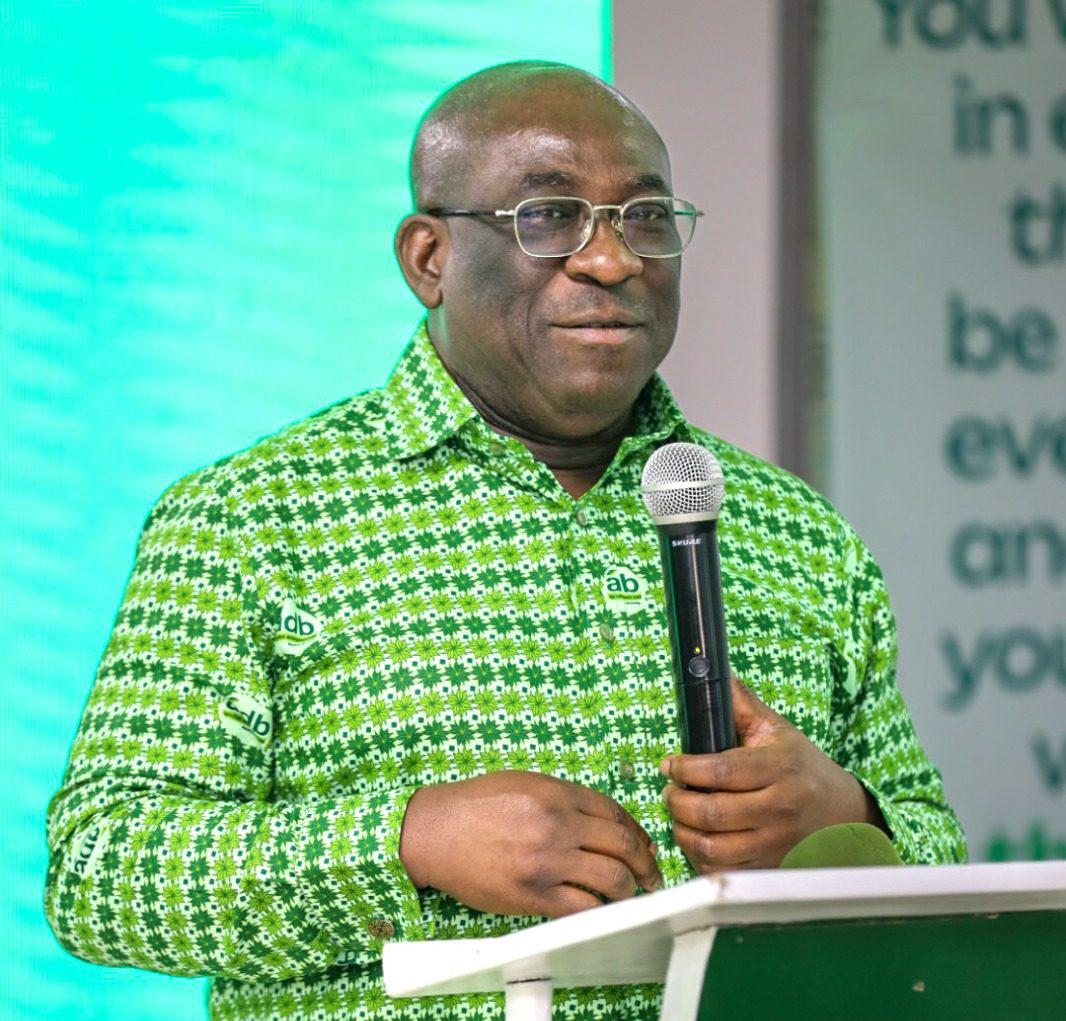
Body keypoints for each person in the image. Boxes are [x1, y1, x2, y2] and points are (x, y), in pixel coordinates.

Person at [45, 61, 966, 1020]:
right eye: (550, 216)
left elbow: (945, 864)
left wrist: (850, 819)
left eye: (646, 217)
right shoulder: (252, 519)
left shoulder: (798, 533)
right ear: (428, 258)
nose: (611, 260)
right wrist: (407, 839)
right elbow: (100, 870)